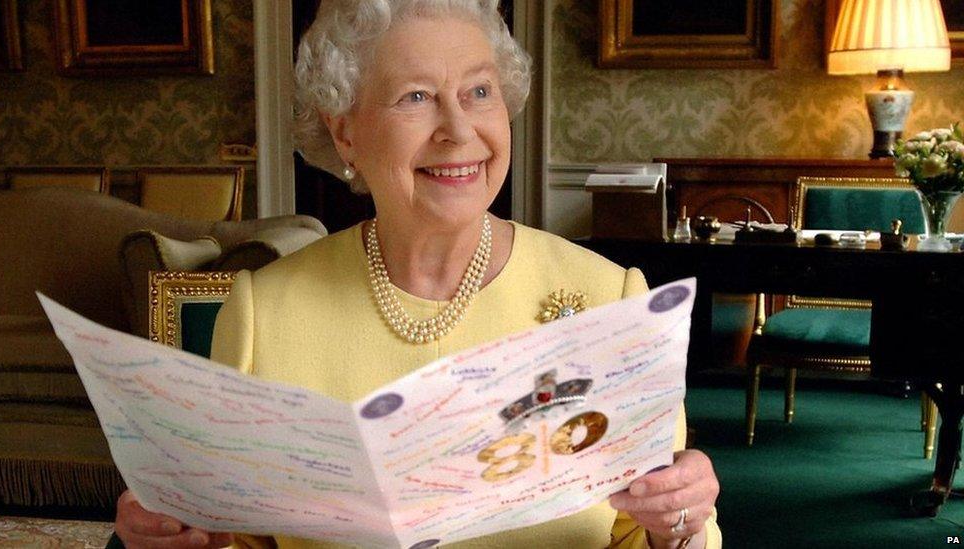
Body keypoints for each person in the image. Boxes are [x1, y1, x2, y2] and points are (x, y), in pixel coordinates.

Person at [113, 1, 721, 547]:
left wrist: (681, 524)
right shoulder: (263, 315)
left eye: (479, 92)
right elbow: (238, 539)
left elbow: (647, 531)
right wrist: (177, 537)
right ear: (344, 130)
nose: (459, 131)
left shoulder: (609, 297)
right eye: (416, 97)